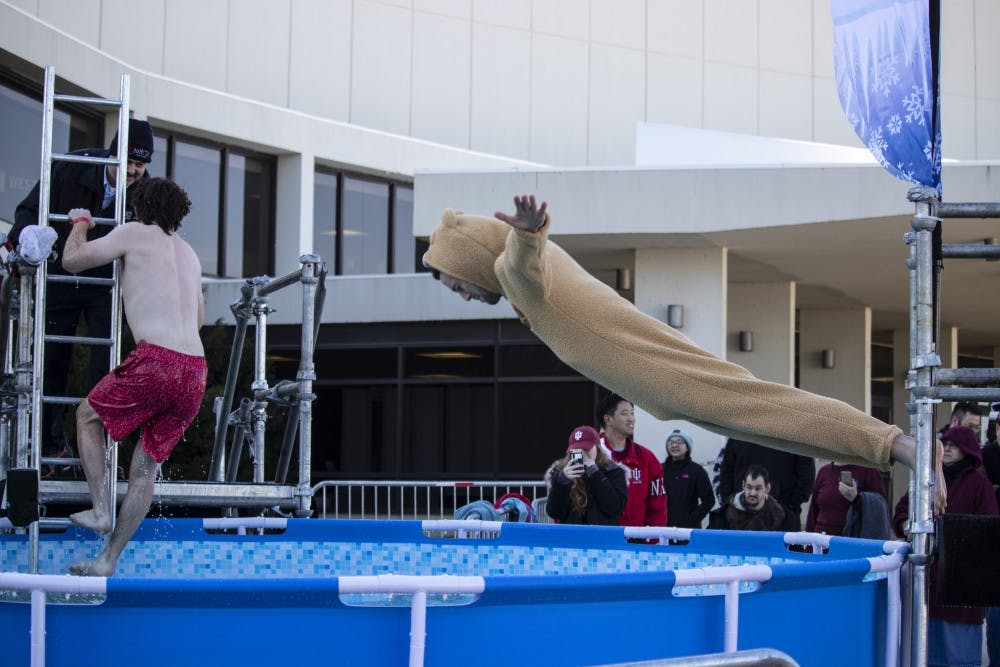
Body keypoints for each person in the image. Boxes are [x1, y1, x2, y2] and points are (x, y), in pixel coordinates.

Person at [420, 194, 943, 511]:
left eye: (455, 284)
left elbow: (519, 262)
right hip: (659, 381)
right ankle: (888, 448)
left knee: (766, 407)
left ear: (474, 262)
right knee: (764, 423)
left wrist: (529, 234)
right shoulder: (520, 285)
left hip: (661, 372)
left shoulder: (520, 275)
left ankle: (899, 446)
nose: (461, 296)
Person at [60, 177, 207, 577]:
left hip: (156, 361)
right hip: (195, 370)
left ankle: (101, 509)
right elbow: (198, 319)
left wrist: (81, 221)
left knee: (87, 416)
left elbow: (71, 261)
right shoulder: (191, 255)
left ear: (139, 208)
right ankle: (108, 560)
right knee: (145, 470)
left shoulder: (133, 233)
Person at [9, 119, 155, 465]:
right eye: (127, 162)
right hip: (61, 275)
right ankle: (48, 442)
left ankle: (100, 446)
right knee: (53, 359)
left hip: (104, 285)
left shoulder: (146, 193)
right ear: (111, 154)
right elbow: (29, 210)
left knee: (105, 366)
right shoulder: (73, 168)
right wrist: (24, 238)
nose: (132, 171)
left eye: (140, 165)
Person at [893, 425, 998, 667]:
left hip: (963, 590)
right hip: (926, 585)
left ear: (967, 450)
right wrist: (909, 526)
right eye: (945, 444)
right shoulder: (926, 479)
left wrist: (950, 535)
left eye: (953, 445)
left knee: (960, 657)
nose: (947, 449)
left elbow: (989, 527)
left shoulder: (979, 484)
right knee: (924, 653)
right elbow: (901, 511)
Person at [595, 393, 667, 527]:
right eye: (625, 413)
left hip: (636, 543)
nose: (631, 419)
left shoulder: (647, 458)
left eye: (632, 413)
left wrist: (652, 539)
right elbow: (574, 499)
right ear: (608, 419)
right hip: (600, 542)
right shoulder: (590, 454)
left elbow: (658, 508)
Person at [717, 438, 815, 531]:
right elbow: (726, 473)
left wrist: (789, 506)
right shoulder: (738, 433)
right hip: (741, 519)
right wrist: (733, 503)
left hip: (783, 518)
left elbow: (806, 478)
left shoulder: (794, 434)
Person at [544, 425, 628, 525]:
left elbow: (615, 508)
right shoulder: (562, 473)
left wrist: (595, 473)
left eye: (586, 449)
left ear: (597, 448)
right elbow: (554, 512)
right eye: (577, 451)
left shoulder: (613, 471)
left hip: (602, 536)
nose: (583, 455)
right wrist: (562, 482)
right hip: (573, 536)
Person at [805, 461, 887, 536]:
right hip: (821, 541)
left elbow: (881, 508)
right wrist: (808, 543)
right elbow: (813, 511)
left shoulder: (869, 470)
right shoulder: (824, 471)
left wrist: (857, 499)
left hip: (851, 541)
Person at [711, 465, 792, 531]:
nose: (752, 493)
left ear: (767, 488)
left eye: (758, 488)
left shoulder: (778, 516)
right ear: (743, 485)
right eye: (749, 487)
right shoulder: (726, 514)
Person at [661, 428, 714, 528]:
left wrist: (692, 519)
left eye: (679, 442)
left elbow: (709, 500)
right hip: (663, 529)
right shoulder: (659, 469)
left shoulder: (697, 471)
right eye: (671, 442)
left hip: (688, 530)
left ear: (687, 447)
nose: (674, 445)